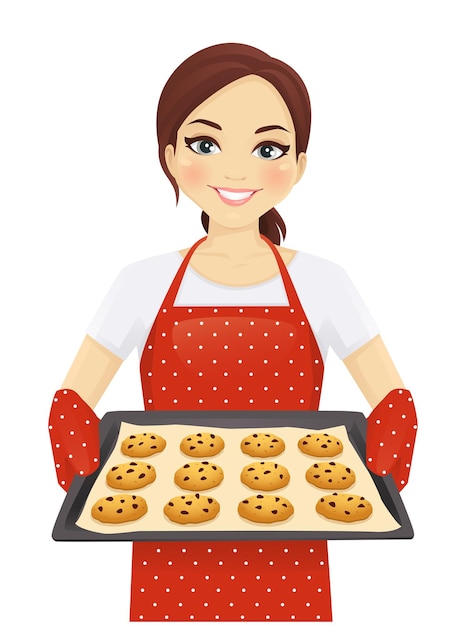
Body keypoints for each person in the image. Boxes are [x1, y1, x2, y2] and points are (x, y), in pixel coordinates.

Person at [48, 43, 417, 622]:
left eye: (268, 147)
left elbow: (393, 402)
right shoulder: (141, 282)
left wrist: (377, 485)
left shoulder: (325, 282)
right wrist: (88, 483)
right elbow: (71, 402)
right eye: (205, 143)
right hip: (169, 547)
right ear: (169, 155)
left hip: (292, 546)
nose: (238, 169)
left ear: (298, 163)